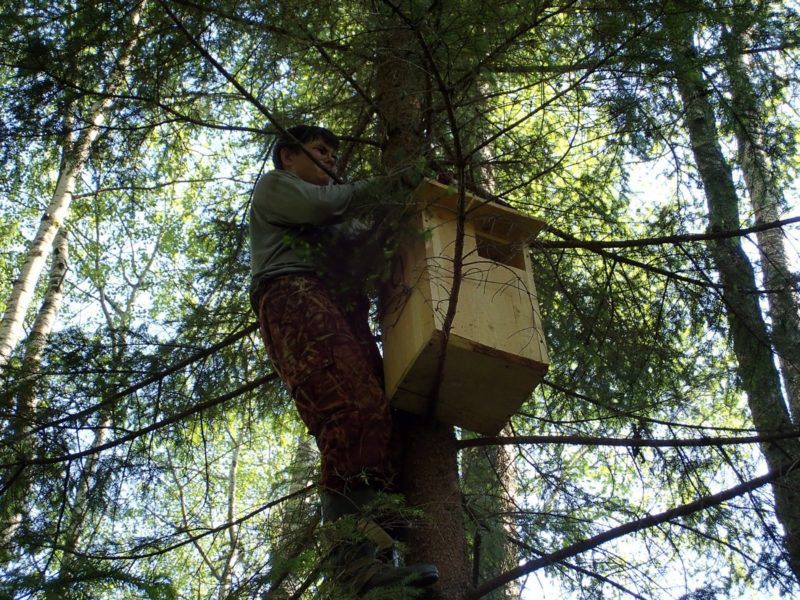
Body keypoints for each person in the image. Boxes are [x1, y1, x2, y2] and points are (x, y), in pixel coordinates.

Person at [249, 125, 438, 594]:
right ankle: (351, 569)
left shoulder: (337, 210)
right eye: (320, 152)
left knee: (381, 415)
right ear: (288, 157)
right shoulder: (278, 188)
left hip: (338, 308)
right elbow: (324, 205)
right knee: (348, 411)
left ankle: (377, 564)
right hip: (293, 294)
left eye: (336, 155)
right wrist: (386, 186)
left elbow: (367, 249)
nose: (332, 161)